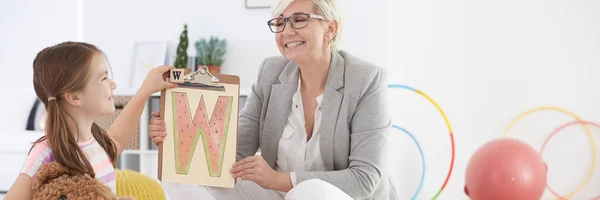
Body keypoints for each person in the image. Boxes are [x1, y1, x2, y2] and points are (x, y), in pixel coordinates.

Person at [150, 0, 397, 199]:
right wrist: (177, 138)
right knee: (180, 178)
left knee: (309, 191)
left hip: (342, 196)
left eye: (299, 20)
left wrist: (279, 179)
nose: (287, 31)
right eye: (279, 23)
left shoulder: (366, 79)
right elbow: (235, 152)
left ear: (330, 29)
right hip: (279, 195)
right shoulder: (271, 72)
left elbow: (364, 179)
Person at [5, 41, 176, 199]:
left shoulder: (96, 141)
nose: (113, 84)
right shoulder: (46, 152)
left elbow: (118, 139)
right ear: (74, 97)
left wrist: (145, 91)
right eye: (103, 78)